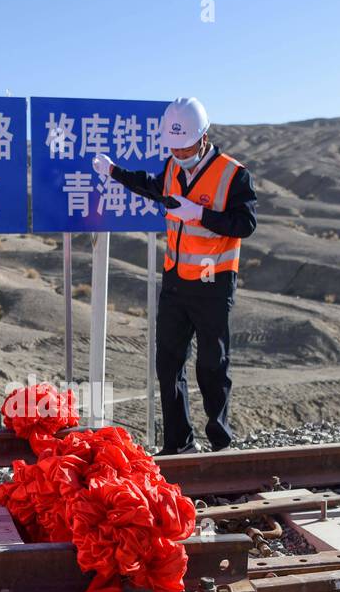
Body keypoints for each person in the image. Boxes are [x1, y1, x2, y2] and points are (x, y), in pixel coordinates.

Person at [92, 97, 257, 454]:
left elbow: (246, 224)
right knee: (168, 364)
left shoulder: (233, 174)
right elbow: (152, 185)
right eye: (173, 148)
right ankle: (178, 444)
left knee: (212, 366)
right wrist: (114, 172)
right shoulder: (171, 168)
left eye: (184, 148)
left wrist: (200, 214)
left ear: (203, 137)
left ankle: (220, 443)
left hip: (213, 283)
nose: (179, 155)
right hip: (176, 282)